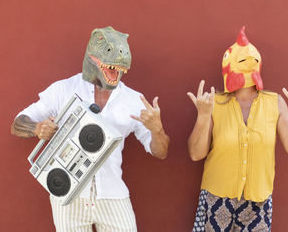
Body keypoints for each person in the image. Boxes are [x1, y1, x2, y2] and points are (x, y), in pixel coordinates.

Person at [11, 26, 170, 232]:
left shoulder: (134, 100)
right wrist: (37, 128)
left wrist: (157, 129)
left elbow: (160, 152)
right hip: (67, 194)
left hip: (113, 195)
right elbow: (17, 123)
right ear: (91, 53)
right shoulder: (63, 89)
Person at [187, 26, 288, 232]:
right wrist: (203, 116)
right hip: (216, 198)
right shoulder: (214, 103)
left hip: (258, 203)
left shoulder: (275, 103)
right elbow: (195, 153)